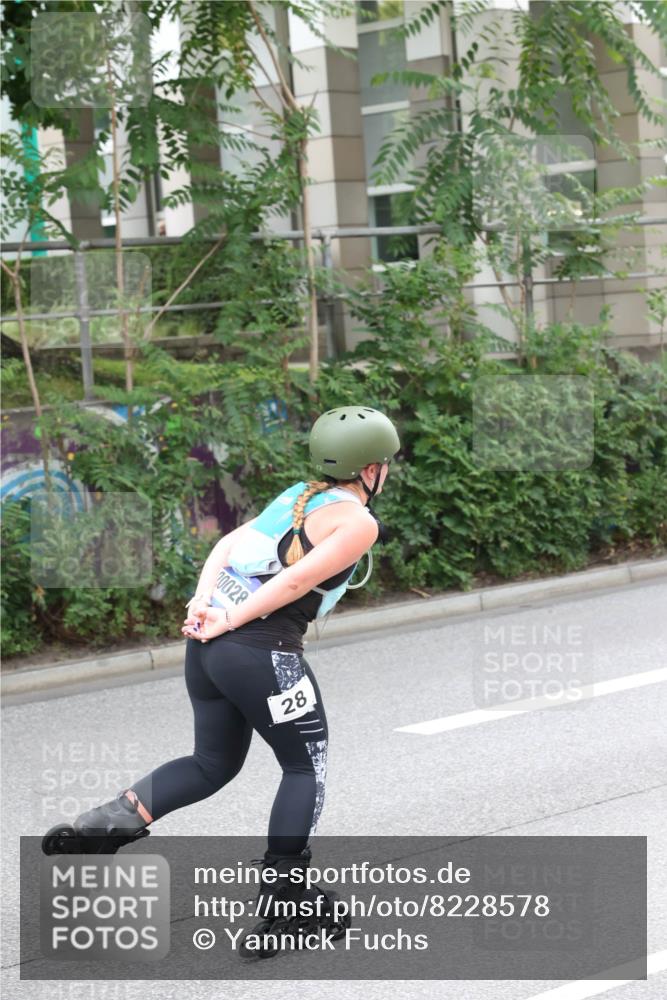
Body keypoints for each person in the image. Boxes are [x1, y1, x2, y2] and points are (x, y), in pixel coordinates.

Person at [41, 405, 401, 955]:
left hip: (207, 650)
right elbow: (294, 584)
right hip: (260, 652)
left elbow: (225, 547)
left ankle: (100, 828)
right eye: (386, 463)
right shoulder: (359, 523)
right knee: (305, 766)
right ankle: (287, 903)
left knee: (211, 763)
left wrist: (203, 603)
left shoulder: (299, 495)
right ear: (370, 469)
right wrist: (230, 618)